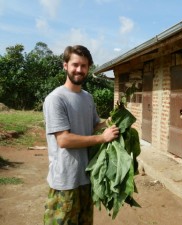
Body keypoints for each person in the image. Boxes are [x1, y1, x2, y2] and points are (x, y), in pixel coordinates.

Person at [43, 45, 119, 225]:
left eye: (84, 66)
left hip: (86, 176)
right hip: (65, 179)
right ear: (65, 66)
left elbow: (93, 126)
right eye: (75, 64)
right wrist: (102, 138)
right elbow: (64, 139)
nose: (79, 70)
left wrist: (108, 123)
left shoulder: (87, 98)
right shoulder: (56, 99)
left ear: (88, 68)